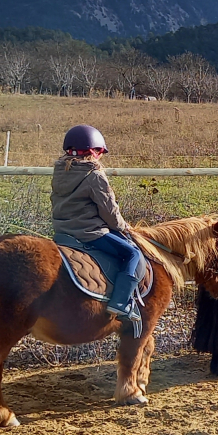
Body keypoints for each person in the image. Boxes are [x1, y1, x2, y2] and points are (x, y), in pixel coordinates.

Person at [52, 124, 143, 323]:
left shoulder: (60, 170)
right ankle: (120, 303)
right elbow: (109, 211)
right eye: (100, 152)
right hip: (89, 233)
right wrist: (122, 226)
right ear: (95, 151)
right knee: (133, 254)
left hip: (62, 231)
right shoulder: (94, 175)